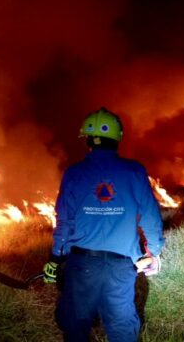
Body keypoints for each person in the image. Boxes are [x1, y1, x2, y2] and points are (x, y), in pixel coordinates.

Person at [43, 107, 164, 342]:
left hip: (82, 264)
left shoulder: (74, 173)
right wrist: (154, 252)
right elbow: (151, 216)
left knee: (75, 326)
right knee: (121, 328)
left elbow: (64, 221)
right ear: (117, 139)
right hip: (122, 266)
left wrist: (56, 258)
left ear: (87, 139)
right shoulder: (134, 171)